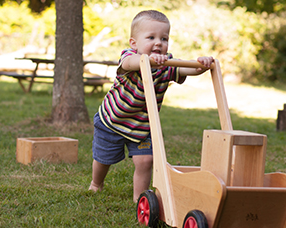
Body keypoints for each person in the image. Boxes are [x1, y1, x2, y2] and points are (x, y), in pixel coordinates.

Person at [89, 10, 214, 203]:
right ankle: (96, 184)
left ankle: (140, 199)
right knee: (104, 158)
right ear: (134, 43)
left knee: (146, 161)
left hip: (143, 126)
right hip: (112, 120)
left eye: (164, 38)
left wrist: (201, 65)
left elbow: (187, 69)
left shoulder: (167, 64)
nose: (158, 43)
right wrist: (146, 61)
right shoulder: (129, 57)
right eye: (151, 37)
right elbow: (130, 63)